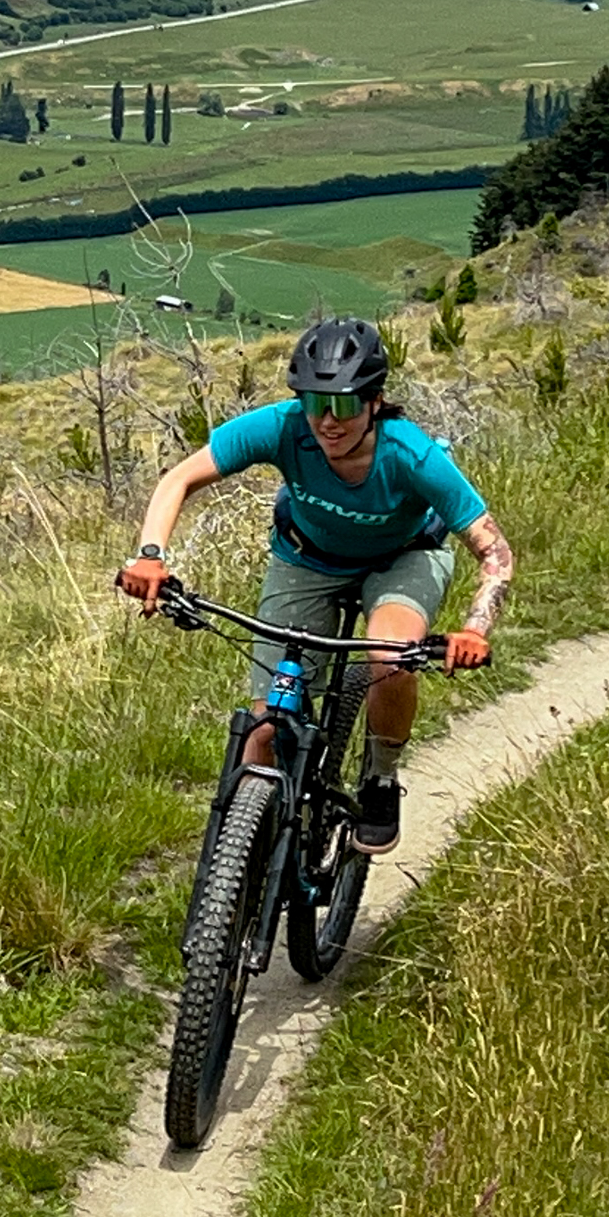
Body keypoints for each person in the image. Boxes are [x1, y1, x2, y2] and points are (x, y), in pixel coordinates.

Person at [113, 315, 511, 853]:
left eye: (345, 404)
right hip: (307, 559)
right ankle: (243, 863)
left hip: (403, 557)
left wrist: (474, 628)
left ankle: (381, 778)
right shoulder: (282, 428)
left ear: (375, 401)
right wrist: (151, 557)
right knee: (266, 728)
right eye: (313, 401)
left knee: (390, 658)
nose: (327, 420)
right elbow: (179, 478)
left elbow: (494, 550)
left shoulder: (412, 455)